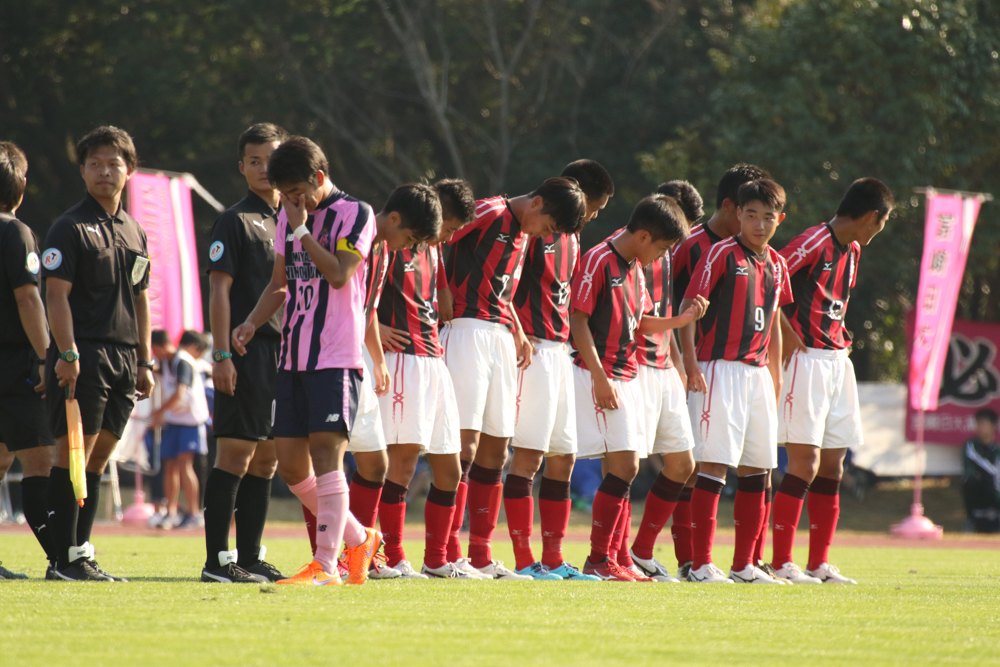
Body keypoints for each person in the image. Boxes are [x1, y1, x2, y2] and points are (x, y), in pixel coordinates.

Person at [231, 137, 419, 585]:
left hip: (336, 354)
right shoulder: (289, 214)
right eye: (285, 194)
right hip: (293, 356)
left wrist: (301, 231)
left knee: (326, 458)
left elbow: (338, 274)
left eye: (298, 191)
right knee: (292, 467)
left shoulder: (357, 214)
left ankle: (326, 565)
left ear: (318, 177)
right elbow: (280, 284)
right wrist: (251, 322)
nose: (293, 201)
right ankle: (360, 538)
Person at [442, 177, 587, 579]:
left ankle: (480, 555)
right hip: (466, 330)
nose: (545, 235)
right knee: (464, 446)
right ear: (536, 203)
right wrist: (439, 291)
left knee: (497, 449)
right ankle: (447, 553)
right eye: (548, 226)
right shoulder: (489, 211)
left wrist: (518, 331)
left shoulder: (523, 232)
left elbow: (502, 292)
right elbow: (435, 236)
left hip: (501, 336)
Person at [572, 195, 707, 581]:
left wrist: (679, 321)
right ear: (645, 236)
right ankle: (599, 559)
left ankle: (611, 559)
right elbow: (578, 320)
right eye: (662, 248)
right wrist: (599, 376)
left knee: (627, 467)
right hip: (600, 375)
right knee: (624, 465)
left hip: (628, 374)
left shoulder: (635, 266)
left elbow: (641, 321)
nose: (662, 256)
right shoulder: (599, 259)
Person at [42, 126, 154, 581]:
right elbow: (55, 296)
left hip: (126, 357)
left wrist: (145, 360)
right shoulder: (68, 227)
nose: (104, 172)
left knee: (100, 457)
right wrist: (67, 353)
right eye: (94, 164)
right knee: (74, 453)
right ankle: (63, 560)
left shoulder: (135, 230)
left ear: (130, 170)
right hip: (83, 353)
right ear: (83, 171)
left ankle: (80, 552)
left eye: (113, 164)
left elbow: (142, 298)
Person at [770, 177, 894, 584]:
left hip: (839, 361)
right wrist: (787, 333)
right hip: (806, 361)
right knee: (803, 463)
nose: (880, 230)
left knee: (833, 466)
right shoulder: (812, 241)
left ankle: (818, 564)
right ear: (872, 216)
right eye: (883, 222)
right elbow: (766, 278)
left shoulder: (853, 250)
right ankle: (782, 562)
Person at [504, 159, 614, 581]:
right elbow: (505, 285)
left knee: (564, 457)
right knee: (528, 457)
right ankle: (523, 560)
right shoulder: (535, 229)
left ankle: (553, 559)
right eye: (595, 208)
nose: (593, 216)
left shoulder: (573, 237)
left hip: (560, 352)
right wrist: (518, 333)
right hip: (532, 350)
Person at [681, 179, 791, 584]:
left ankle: (745, 565)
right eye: (752, 215)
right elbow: (689, 307)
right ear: (739, 215)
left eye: (768, 217)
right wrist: (690, 363)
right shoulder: (720, 253)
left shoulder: (778, 264)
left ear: (780, 219)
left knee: (759, 468)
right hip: (719, 369)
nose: (759, 225)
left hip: (758, 374)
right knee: (713, 464)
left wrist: (776, 375)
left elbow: (774, 323)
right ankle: (700, 564)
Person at [375, 179, 483, 579]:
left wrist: (444, 292)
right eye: (449, 228)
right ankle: (391, 555)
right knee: (401, 464)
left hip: (434, 360)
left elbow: (437, 295)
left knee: (450, 468)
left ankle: (437, 560)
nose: (449, 237)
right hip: (402, 359)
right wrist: (377, 328)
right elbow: (358, 295)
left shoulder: (432, 249)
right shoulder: (389, 243)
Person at [202, 123, 289, 583]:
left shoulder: (295, 221)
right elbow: (219, 290)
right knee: (235, 454)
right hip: (245, 351)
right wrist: (221, 355)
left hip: (285, 356)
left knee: (268, 458)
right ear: (241, 167)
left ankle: (250, 557)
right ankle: (217, 562)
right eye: (254, 161)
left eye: (271, 160)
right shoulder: (234, 221)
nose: (263, 168)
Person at [624, 180, 705, 582]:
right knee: (624, 465)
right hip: (632, 366)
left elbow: (663, 310)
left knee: (682, 463)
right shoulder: (630, 248)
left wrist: (678, 361)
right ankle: (612, 555)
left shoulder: (668, 253)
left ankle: (640, 552)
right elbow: (634, 319)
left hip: (663, 366)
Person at [0, 141, 55, 579]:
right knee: (42, 459)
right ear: (19, 183)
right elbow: (27, 299)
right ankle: (64, 557)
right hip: (15, 362)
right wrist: (46, 356)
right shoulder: (15, 232)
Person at [150, 330, 210, 531]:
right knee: (170, 467)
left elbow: (180, 392)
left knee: (185, 465)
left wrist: (159, 412)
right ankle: (171, 512)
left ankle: (194, 514)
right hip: (174, 420)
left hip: (191, 421)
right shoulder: (166, 362)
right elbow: (156, 371)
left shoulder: (183, 361)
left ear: (160, 346)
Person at [961, 409, 1000, 533]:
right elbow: (970, 469)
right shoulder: (971, 446)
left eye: (983, 424)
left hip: (996, 489)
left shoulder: (997, 450)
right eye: (978, 424)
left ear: (994, 426)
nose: (980, 428)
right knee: (970, 481)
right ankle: (971, 520)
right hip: (980, 487)